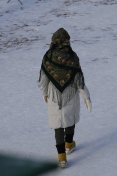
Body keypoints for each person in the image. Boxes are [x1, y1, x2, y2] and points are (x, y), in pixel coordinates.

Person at [39, 28, 92, 169]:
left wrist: (44, 93)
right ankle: (69, 144)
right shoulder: (72, 57)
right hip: (70, 93)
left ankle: (62, 157)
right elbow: (79, 81)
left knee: (57, 123)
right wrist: (86, 97)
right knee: (69, 119)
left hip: (53, 94)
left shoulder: (48, 56)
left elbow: (44, 78)